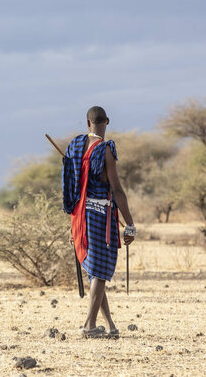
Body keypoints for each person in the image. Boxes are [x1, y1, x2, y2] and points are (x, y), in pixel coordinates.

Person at [62, 106, 136, 338]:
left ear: (87, 123)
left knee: (96, 273)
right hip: (101, 216)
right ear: (107, 122)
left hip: (79, 215)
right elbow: (117, 189)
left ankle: (111, 325)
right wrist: (130, 223)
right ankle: (88, 325)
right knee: (101, 272)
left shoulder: (75, 146)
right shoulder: (105, 150)